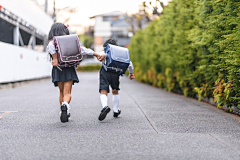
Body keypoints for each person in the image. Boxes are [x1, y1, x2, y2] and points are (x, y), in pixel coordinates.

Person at [47, 23, 101, 123]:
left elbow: (50, 48)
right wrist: (96, 54)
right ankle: (66, 106)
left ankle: (63, 111)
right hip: (69, 68)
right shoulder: (70, 41)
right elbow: (83, 50)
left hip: (58, 69)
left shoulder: (52, 42)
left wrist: (54, 58)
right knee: (67, 93)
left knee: (61, 92)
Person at [98, 39, 135, 121]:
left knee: (103, 90)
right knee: (115, 90)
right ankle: (115, 110)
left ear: (105, 46)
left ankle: (105, 107)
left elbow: (100, 56)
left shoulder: (105, 50)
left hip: (105, 72)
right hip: (115, 73)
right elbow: (130, 64)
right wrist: (131, 73)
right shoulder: (120, 53)